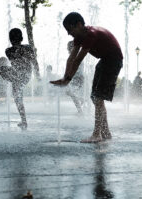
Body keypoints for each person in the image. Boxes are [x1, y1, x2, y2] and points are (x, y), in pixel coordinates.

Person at [51, 12, 123, 143]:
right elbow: (71, 57)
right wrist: (64, 78)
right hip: (104, 60)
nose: (68, 33)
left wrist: (67, 80)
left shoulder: (90, 34)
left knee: (98, 97)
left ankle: (97, 134)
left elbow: (78, 60)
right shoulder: (79, 37)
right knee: (95, 97)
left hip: (113, 60)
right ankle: (106, 133)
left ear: (79, 25)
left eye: (70, 29)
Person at [66, 41, 84, 114]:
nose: (67, 49)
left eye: (68, 47)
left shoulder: (75, 56)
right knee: (69, 93)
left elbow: (76, 69)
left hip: (77, 78)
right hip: (76, 77)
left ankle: (80, 110)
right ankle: (81, 100)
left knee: (71, 93)